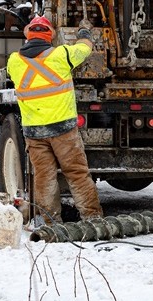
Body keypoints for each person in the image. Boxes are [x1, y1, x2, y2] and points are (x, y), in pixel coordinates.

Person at [6, 16, 103, 224]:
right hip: (64, 130)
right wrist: (84, 33)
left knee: (44, 178)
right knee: (77, 174)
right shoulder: (61, 55)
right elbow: (84, 49)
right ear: (50, 36)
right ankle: (92, 219)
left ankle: (51, 222)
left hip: (34, 133)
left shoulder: (14, 61)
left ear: (27, 36)